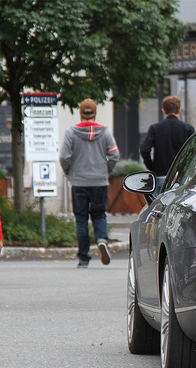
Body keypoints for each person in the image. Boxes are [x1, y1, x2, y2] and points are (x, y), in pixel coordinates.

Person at [59, 99, 119, 268]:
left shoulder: (71, 132)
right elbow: (114, 155)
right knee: (99, 214)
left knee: (81, 219)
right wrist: (106, 170)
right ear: (95, 113)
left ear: (80, 113)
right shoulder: (105, 132)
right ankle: (101, 239)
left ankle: (83, 257)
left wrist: (68, 171)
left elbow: (64, 156)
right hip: (99, 181)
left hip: (78, 181)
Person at [140, 95, 194, 194]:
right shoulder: (188, 129)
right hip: (182, 177)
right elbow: (194, 152)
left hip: (161, 175)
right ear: (180, 110)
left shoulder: (155, 128)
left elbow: (144, 149)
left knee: (161, 207)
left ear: (163, 110)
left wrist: (152, 167)